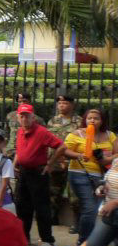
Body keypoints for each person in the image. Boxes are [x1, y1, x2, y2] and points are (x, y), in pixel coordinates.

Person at [13, 103, 66, 246]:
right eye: (21, 116)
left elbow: (61, 146)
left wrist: (50, 164)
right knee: (22, 206)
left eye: (27, 116)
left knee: (42, 207)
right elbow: (19, 150)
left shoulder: (42, 132)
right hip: (23, 172)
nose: (24, 119)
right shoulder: (20, 131)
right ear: (18, 117)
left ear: (33, 117)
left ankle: (47, 240)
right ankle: (24, 237)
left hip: (38, 173)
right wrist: (15, 162)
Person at [62, 108, 115, 244]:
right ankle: (85, 241)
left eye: (96, 118)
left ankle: (91, 238)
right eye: (89, 118)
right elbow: (64, 150)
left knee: (94, 209)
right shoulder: (77, 134)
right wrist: (79, 155)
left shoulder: (110, 136)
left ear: (102, 121)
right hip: (80, 172)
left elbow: (117, 153)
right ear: (85, 120)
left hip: (101, 176)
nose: (92, 120)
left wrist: (107, 159)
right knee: (89, 207)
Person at [71, 156, 118, 246]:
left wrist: (115, 203)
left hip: (113, 208)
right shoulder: (116, 160)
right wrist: (102, 188)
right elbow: (108, 180)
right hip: (110, 214)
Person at [48, 95, 82, 230]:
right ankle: (53, 216)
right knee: (53, 191)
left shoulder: (79, 122)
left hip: (73, 162)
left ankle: (76, 222)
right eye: (60, 103)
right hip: (56, 161)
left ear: (72, 105)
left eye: (65, 103)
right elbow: (49, 141)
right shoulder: (52, 121)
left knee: (74, 193)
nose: (62, 105)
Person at [5, 91, 43, 158]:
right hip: (10, 152)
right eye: (20, 102)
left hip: (27, 153)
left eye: (24, 101)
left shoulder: (37, 119)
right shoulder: (10, 116)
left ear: (29, 102)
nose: (22, 103)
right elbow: (6, 133)